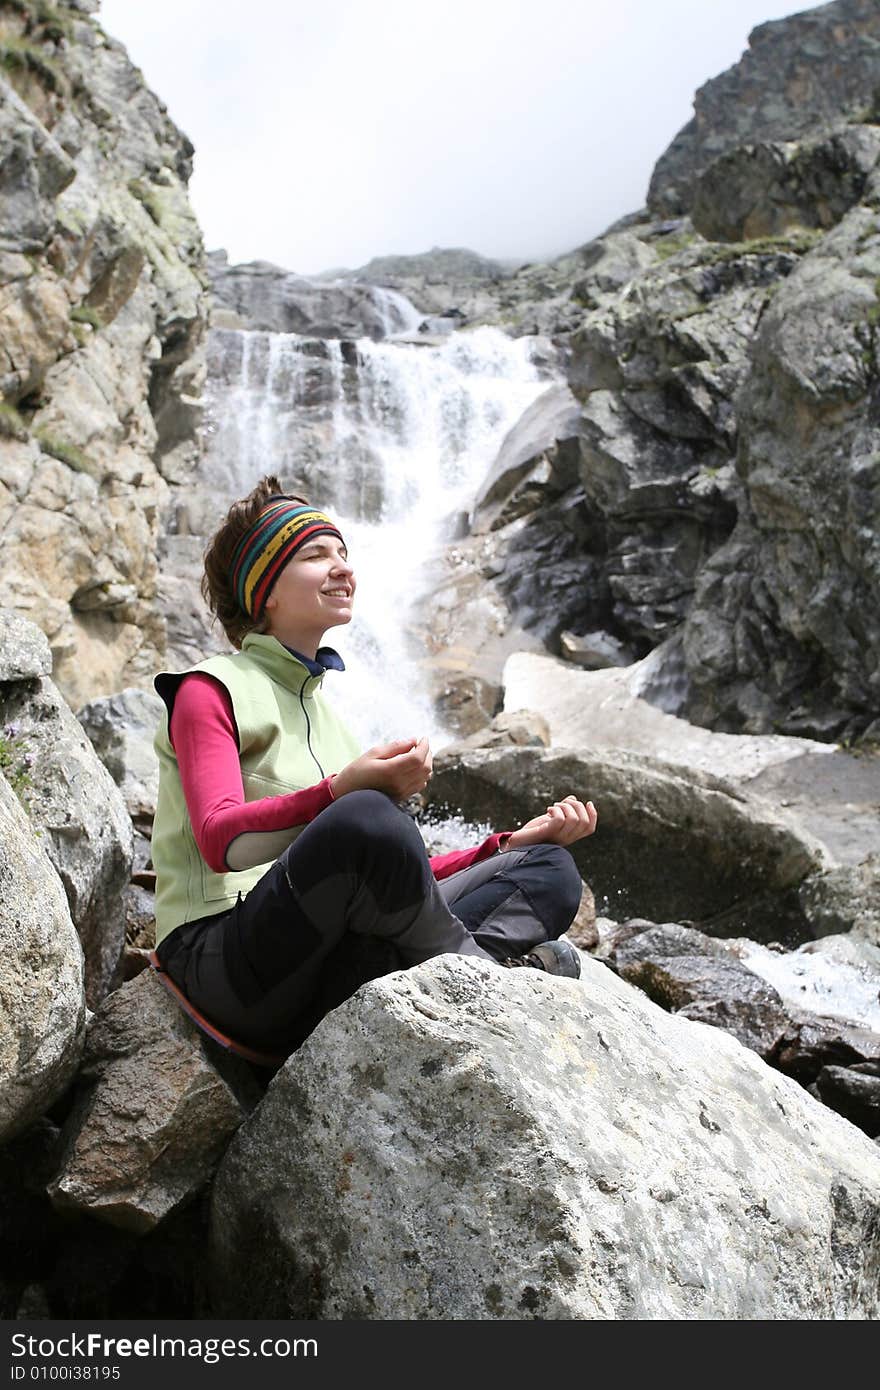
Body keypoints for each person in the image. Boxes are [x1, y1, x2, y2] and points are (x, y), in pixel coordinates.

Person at [151, 476, 598, 1057]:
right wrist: (342, 790)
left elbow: (398, 882)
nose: (343, 568)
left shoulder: (337, 727)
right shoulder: (208, 690)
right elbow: (218, 841)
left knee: (549, 867)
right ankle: (487, 983)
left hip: (323, 974)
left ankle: (451, 978)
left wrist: (507, 844)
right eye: (316, 555)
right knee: (364, 817)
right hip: (225, 967)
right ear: (265, 593)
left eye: (343, 553)